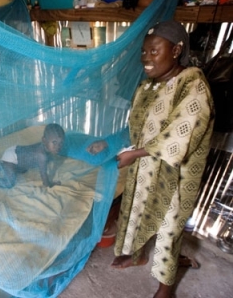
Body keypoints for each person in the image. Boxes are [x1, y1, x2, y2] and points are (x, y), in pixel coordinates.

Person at [87, 20, 215, 298]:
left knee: (169, 228)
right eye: (144, 52)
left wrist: (135, 154)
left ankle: (165, 288)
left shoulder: (193, 86)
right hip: (145, 167)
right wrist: (109, 143)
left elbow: (181, 135)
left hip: (176, 175)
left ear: (177, 50)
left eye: (154, 51)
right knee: (135, 212)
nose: (146, 58)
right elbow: (136, 128)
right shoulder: (147, 88)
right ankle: (137, 256)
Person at [0, 123, 65, 192]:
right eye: (54, 142)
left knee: (23, 170)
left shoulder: (44, 147)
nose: (58, 146)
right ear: (44, 140)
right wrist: (50, 184)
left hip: (16, 150)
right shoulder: (42, 156)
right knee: (9, 183)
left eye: (61, 143)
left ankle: (1, 164)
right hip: (11, 157)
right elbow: (44, 176)